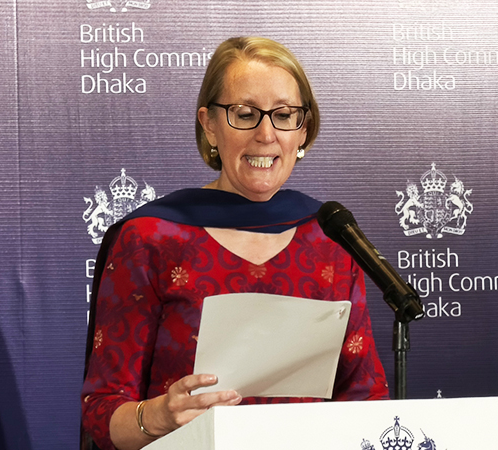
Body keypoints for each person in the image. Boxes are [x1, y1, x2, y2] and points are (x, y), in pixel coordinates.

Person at [81, 36, 388, 450]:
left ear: (303, 130)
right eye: (245, 114)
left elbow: (366, 397)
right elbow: (101, 412)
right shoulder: (151, 237)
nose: (266, 134)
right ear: (209, 124)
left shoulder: (330, 237)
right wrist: (156, 417)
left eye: (284, 115)